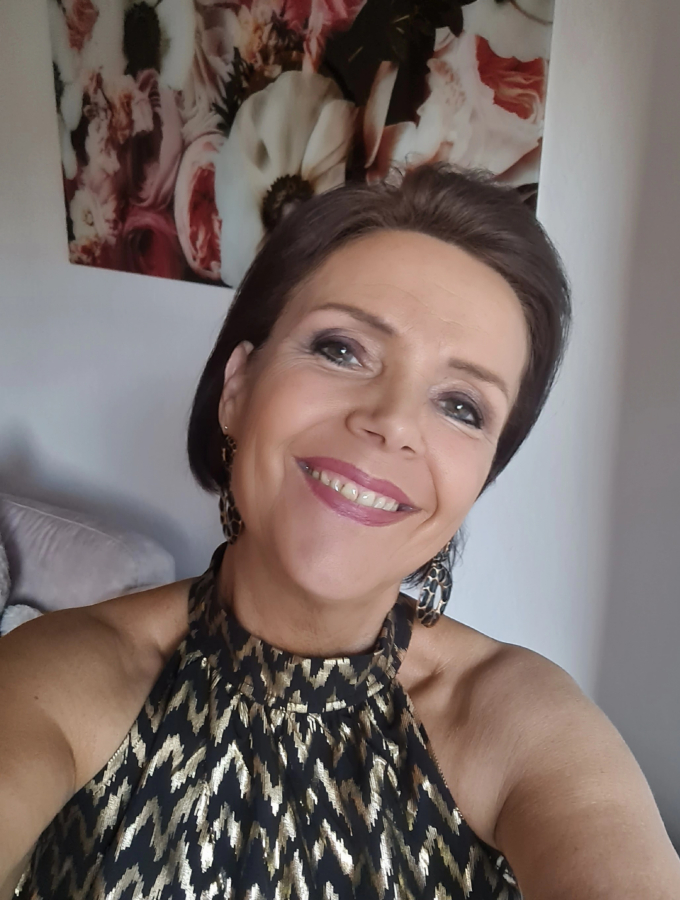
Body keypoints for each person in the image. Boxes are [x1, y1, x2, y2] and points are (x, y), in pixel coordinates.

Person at [1, 166, 678, 900]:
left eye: (461, 405)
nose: (391, 422)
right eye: (342, 349)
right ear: (237, 388)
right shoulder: (59, 676)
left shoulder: (523, 725)